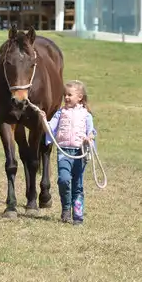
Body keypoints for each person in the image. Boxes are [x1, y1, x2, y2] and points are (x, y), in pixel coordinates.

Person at [46, 79, 97, 225]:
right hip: (64, 152)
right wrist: (44, 120)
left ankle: (78, 216)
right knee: (63, 179)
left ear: (79, 97)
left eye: (69, 95)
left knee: (77, 184)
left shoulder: (86, 115)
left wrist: (90, 138)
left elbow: (91, 131)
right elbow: (50, 128)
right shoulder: (60, 113)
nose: (66, 97)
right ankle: (66, 208)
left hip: (80, 153)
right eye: (65, 95)